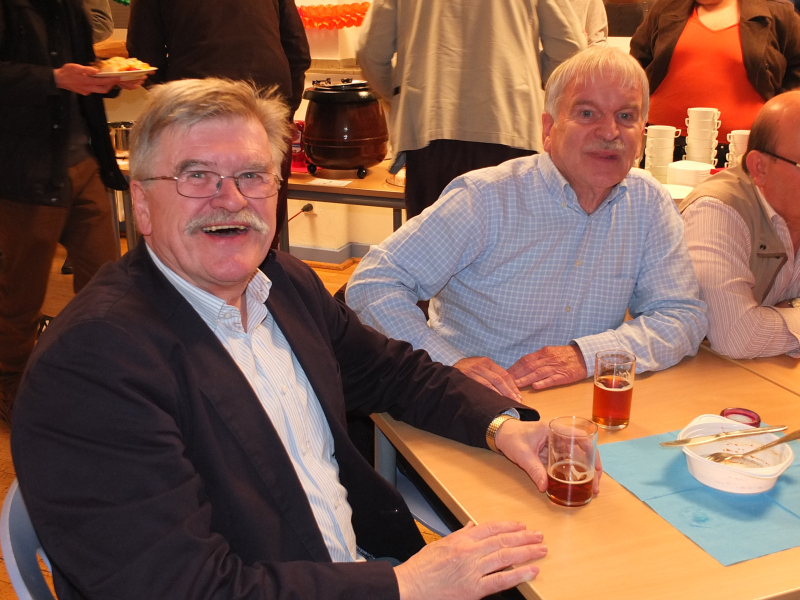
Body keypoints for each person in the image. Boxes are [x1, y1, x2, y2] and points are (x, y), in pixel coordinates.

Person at [10, 78, 597, 600]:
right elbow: (179, 586)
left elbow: (390, 371)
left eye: (251, 176)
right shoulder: (94, 365)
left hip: (350, 567)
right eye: (197, 176)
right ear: (141, 203)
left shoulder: (281, 283)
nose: (230, 199)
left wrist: (503, 427)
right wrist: (406, 586)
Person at [346, 46, 708, 401]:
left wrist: (586, 356)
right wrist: (448, 365)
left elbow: (681, 316)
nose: (610, 132)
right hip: (472, 403)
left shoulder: (648, 203)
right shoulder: (486, 198)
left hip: (581, 405)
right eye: (587, 113)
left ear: (642, 133)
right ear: (548, 128)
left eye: (626, 116)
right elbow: (374, 282)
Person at [0, 0, 145, 423]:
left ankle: (96, 376)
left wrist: (110, 80)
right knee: (20, 294)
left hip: (85, 162)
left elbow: (81, 70)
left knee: (107, 282)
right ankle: (9, 386)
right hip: (24, 171)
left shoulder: (70, 6)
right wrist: (54, 78)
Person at [356, 0, 586, 218]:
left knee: (433, 244)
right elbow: (570, 46)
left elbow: (370, 52)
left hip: (430, 130)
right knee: (512, 243)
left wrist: (403, 100)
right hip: (510, 124)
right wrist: (529, 83)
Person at [126, 0, 311, 248]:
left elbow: (145, 59)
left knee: (193, 226)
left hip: (197, 121)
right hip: (261, 116)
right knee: (261, 225)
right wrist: (284, 112)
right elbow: (298, 52)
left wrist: (174, 110)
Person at [679, 91, 800, 359]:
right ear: (760, 167)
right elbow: (736, 336)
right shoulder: (716, 211)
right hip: (705, 375)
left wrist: (787, 310)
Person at [630, 0, 800, 164]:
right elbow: (637, 63)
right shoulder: (666, 8)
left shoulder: (778, 13)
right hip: (660, 146)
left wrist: (778, 114)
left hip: (740, 150)